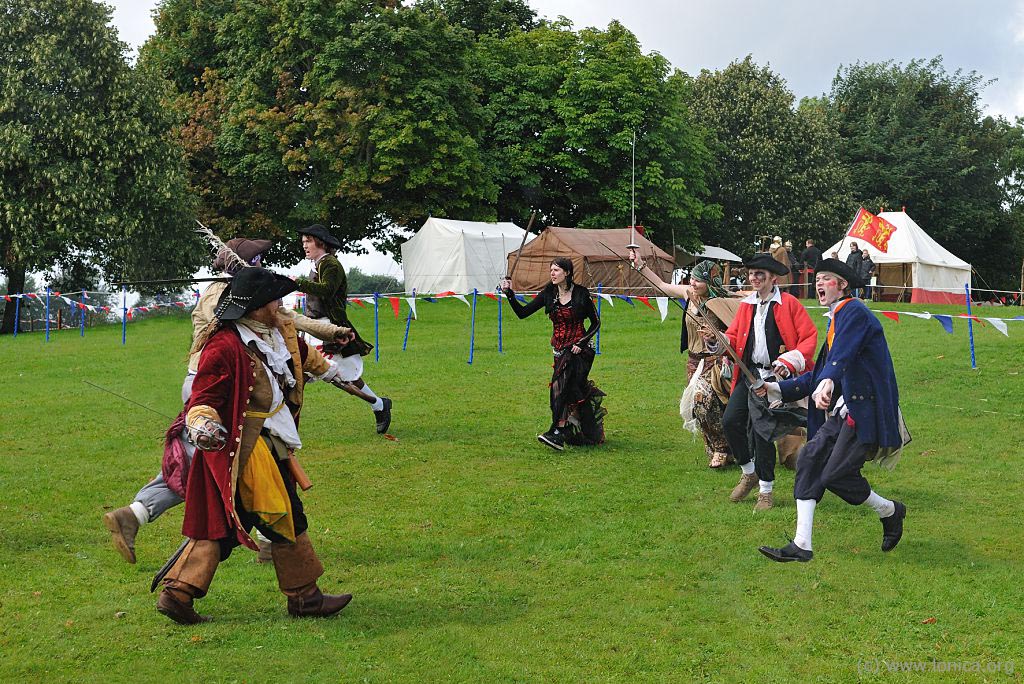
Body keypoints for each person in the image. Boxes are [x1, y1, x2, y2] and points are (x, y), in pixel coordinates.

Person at [103, 238, 354, 565]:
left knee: (254, 459)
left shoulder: (254, 294)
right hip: (218, 385)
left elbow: (288, 320)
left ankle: (263, 538)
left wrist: (331, 332)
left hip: (244, 384)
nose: (262, 264)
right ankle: (169, 551)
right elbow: (225, 339)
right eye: (258, 260)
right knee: (211, 467)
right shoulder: (219, 297)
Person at [154, 267, 353, 624]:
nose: (280, 304)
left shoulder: (277, 334)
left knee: (225, 525)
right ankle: (305, 598)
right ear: (255, 306)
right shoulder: (225, 345)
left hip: (272, 442)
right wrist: (204, 423)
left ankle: (178, 593)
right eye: (273, 299)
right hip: (245, 451)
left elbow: (304, 359)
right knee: (285, 514)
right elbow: (202, 398)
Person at [757, 258, 906, 562]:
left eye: (826, 279)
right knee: (810, 458)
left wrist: (827, 382)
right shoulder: (836, 319)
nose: (819, 284)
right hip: (844, 409)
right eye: (818, 279)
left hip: (865, 411)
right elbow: (822, 370)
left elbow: (840, 357)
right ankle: (802, 545)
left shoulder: (854, 312)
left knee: (835, 476)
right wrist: (776, 388)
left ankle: (890, 511)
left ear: (842, 285)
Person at [722, 254, 817, 511]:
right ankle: (748, 472)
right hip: (748, 375)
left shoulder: (789, 304)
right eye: (751, 274)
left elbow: (809, 337)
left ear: (772, 278)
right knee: (730, 421)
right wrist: (719, 339)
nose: (754, 278)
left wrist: (787, 362)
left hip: (774, 379)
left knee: (762, 431)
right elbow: (733, 336)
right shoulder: (746, 305)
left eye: (759, 274)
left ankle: (766, 491)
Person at [630, 253, 740, 468]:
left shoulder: (721, 302)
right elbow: (661, 285)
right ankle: (722, 449)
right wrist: (640, 266)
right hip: (693, 361)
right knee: (696, 408)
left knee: (705, 402)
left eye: (698, 280)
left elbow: (738, 326)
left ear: (710, 282)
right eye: (692, 278)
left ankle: (722, 448)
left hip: (715, 361)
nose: (693, 283)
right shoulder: (688, 294)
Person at [294, 224, 392, 434]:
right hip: (316, 328)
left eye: (308, 241)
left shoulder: (330, 264)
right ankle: (287, 423)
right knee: (304, 373)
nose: (304, 246)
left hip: (331, 328)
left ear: (321, 243)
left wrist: (297, 283)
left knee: (342, 377)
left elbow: (327, 291)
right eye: (303, 242)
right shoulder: (317, 264)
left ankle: (379, 404)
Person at [500, 258, 605, 451]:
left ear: (567, 272)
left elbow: (596, 322)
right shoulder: (549, 293)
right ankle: (574, 431)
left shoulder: (581, 293)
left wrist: (580, 343)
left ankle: (557, 431)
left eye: (556, 270)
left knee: (559, 389)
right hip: (559, 351)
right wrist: (509, 294)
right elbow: (523, 313)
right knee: (570, 390)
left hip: (579, 352)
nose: (552, 273)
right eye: (551, 270)